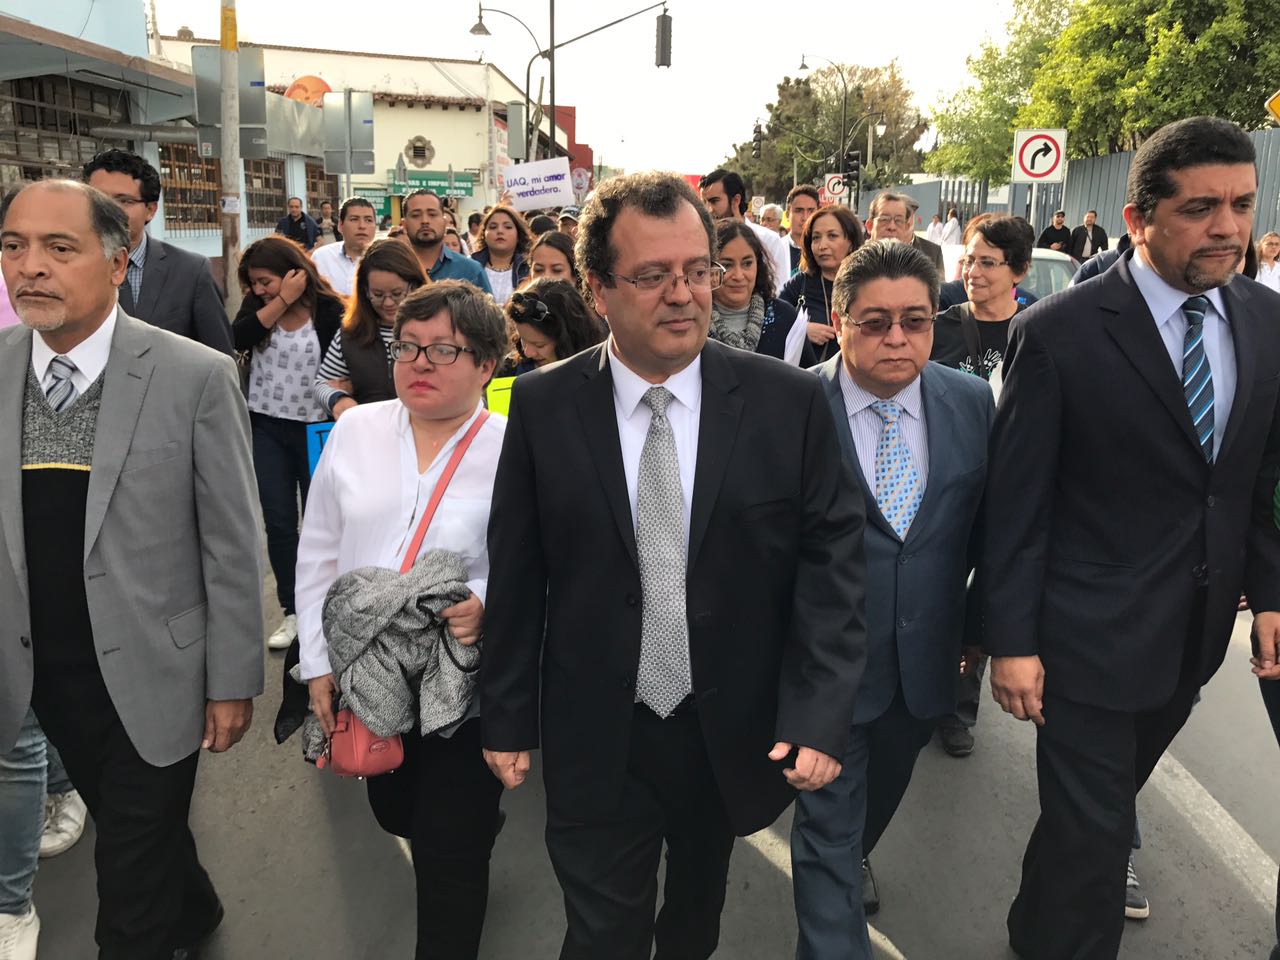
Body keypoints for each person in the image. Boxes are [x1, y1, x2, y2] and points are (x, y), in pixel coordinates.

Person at [480, 171, 867, 960]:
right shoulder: (542, 407)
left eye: (699, 269)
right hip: (597, 727)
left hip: (727, 727)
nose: (685, 293)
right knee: (602, 934)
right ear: (597, 287)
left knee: (695, 915)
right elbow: (517, 572)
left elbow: (832, 564)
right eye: (653, 276)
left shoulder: (786, 403)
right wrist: (507, 713)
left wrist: (817, 712)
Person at [983, 115, 1280, 960]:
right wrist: (1010, 639)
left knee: (1092, 820)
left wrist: (1272, 595)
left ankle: (1031, 929)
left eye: (1242, 205)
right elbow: (1015, 505)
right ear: (1138, 216)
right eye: (1200, 208)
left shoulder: (1267, 323)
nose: (1227, 227)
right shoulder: (1060, 334)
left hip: (1195, 639)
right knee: (1096, 839)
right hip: (1084, 644)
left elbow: (1256, 483)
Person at [0, 179, 262, 959]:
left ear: (117, 265)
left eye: (59, 248)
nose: (31, 267)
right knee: (130, 826)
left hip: (159, 670)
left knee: (129, 894)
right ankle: (199, 904)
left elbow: (232, 542)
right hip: (43, 673)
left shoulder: (194, 375)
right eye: (15, 246)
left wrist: (231, 678)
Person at [295, 280, 507, 960]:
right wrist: (318, 662)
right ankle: (471, 831)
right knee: (395, 809)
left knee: (449, 847)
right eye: (408, 346)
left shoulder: (512, 446)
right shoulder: (357, 430)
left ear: (486, 365)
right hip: (369, 674)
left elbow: (543, 556)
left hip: (461, 679)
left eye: (444, 349)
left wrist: (484, 599)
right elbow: (319, 549)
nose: (420, 362)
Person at [794, 239, 992, 959]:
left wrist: (979, 632)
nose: (898, 338)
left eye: (915, 319)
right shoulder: (790, 406)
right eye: (875, 322)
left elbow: (989, 534)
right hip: (819, 674)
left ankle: (854, 854)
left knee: (866, 814)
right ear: (839, 319)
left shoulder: (971, 403)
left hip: (924, 669)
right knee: (826, 835)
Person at [233, 236, 345, 653]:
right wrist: (280, 301)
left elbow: (344, 362)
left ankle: (329, 604)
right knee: (279, 523)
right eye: (254, 283)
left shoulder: (329, 310)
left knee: (323, 522)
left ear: (292, 271)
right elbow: (239, 336)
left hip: (317, 431)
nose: (259, 289)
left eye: (266, 281)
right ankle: (292, 608)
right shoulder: (259, 309)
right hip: (267, 427)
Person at [84, 148, 232, 354]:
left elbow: (220, 357)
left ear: (151, 210)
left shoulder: (190, 271)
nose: (107, 210)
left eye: (124, 201)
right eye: (98, 199)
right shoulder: (63, 268)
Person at [315, 238, 428, 419]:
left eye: (397, 294)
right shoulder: (352, 334)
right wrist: (338, 399)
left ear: (415, 286)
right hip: (369, 433)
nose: (388, 303)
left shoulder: (439, 329)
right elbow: (322, 384)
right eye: (378, 295)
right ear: (365, 291)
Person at [931, 214, 1034, 384]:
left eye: (987, 263)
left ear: (1020, 271)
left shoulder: (1035, 333)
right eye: (969, 261)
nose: (972, 272)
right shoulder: (935, 329)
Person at [711, 218, 812, 363]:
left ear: (758, 265)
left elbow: (808, 379)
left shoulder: (785, 317)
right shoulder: (692, 321)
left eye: (747, 263)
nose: (739, 275)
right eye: (727, 265)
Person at [779, 204, 864, 365]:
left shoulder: (867, 284)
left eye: (832, 236)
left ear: (851, 242)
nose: (822, 245)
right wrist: (802, 330)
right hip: (806, 381)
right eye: (816, 238)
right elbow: (771, 319)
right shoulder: (800, 283)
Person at [699, 169, 789, 295]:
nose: (708, 209)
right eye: (704, 202)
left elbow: (779, 289)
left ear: (735, 200)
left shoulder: (768, 240)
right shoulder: (702, 241)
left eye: (714, 201)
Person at [503, 278, 605, 372]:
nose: (527, 353)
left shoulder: (600, 372)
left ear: (570, 337)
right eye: (523, 341)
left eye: (539, 345)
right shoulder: (507, 371)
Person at [404, 190, 492, 295]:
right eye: (416, 215)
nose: (425, 221)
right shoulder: (393, 267)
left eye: (432, 214)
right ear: (404, 224)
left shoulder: (471, 271)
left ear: (445, 223)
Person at [311, 197, 378, 297]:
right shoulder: (321, 257)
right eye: (354, 219)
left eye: (368, 220)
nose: (362, 226)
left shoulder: (386, 258)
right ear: (340, 226)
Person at [866, 191, 943, 273]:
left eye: (898, 220)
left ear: (906, 226)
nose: (892, 227)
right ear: (870, 226)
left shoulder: (927, 256)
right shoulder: (857, 260)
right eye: (884, 219)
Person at [471, 205, 531, 306]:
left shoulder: (529, 266)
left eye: (507, 227)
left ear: (518, 235)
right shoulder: (471, 266)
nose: (500, 231)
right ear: (484, 235)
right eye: (493, 227)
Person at [785, 185, 821, 273]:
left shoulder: (825, 250)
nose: (805, 218)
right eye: (799, 211)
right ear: (787, 214)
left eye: (811, 211)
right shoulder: (775, 248)